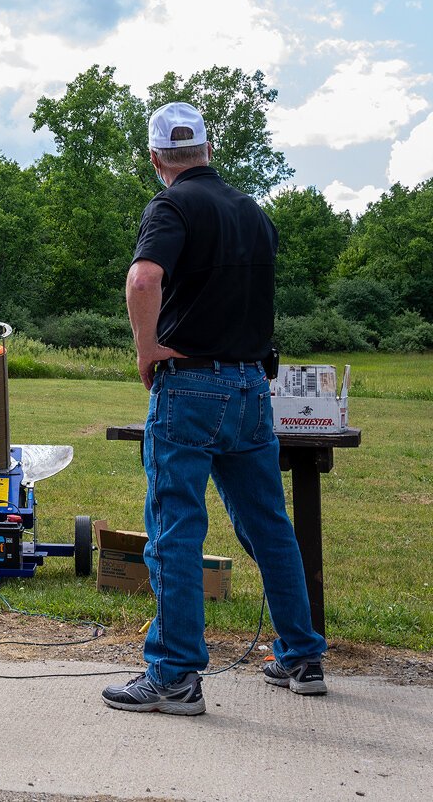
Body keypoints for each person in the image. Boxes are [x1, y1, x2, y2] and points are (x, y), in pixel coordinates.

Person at [102, 101, 327, 717]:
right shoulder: (252, 211)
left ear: (156, 159)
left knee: (176, 527)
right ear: (208, 148)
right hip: (253, 385)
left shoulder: (171, 205)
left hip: (191, 385)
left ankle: (174, 676)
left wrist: (147, 349)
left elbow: (143, 279)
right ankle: (302, 657)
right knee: (270, 526)